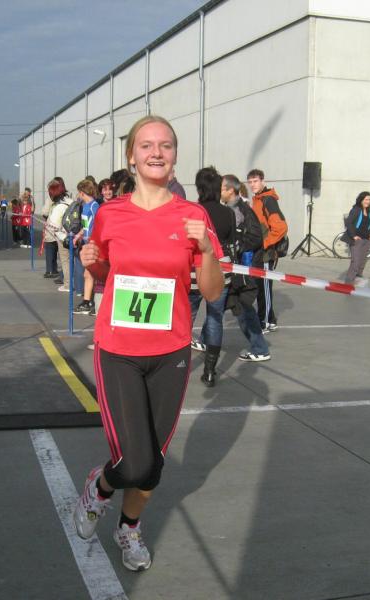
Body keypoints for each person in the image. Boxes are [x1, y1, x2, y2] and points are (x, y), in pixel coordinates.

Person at [74, 115, 223, 572]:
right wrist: (91, 261)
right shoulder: (110, 213)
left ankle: (129, 528)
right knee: (135, 463)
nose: (156, 152)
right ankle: (100, 486)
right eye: (146, 145)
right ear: (131, 157)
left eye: (165, 145)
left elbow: (212, 291)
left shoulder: (194, 216)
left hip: (171, 352)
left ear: (175, 156)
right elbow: (105, 274)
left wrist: (207, 252)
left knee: (152, 463)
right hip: (119, 350)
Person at [188, 166, 234, 386]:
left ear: (199, 188)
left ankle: (179, 365)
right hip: (221, 268)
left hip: (194, 269)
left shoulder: (192, 211)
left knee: (187, 317)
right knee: (215, 318)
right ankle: (209, 371)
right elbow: (232, 240)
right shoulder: (228, 213)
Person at [219, 174, 271, 361]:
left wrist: (236, 248)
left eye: (221, 188)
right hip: (232, 268)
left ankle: (260, 348)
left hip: (244, 270)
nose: (219, 192)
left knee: (241, 307)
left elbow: (256, 237)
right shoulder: (229, 210)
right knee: (223, 305)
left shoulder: (242, 211)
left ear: (230, 191)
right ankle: (206, 339)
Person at [248, 169, 287, 333]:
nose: (252, 185)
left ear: (263, 181)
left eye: (255, 181)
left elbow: (281, 227)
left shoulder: (268, 200)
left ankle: (264, 322)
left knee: (264, 289)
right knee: (261, 287)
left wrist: (264, 244)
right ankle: (269, 320)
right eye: (250, 182)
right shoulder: (257, 200)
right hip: (259, 251)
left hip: (266, 253)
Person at [72, 179, 99, 312]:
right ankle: (88, 301)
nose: (78, 195)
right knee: (87, 273)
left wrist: (93, 239)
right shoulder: (85, 206)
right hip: (86, 243)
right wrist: (78, 235)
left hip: (93, 244)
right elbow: (86, 225)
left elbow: (99, 223)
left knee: (89, 273)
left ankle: (88, 301)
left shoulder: (94, 206)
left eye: (79, 192)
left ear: (82, 193)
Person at [45, 178, 72, 288]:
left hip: (63, 237)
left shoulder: (58, 207)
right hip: (74, 235)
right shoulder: (70, 201)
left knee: (65, 261)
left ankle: (68, 285)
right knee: (74, 261)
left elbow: (53, 226)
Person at [344, 191, 370, 286]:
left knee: (362, 262)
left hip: (366, 240)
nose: (368, 201)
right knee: (356, 262)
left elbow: (368, 225)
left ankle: (357, 279)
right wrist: (354, 236)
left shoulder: (369, 212)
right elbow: (348, 222)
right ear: (361, 200)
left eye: (369, 199)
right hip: (357, 240)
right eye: (366, 199)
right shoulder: (356, 210)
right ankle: (348, 284)